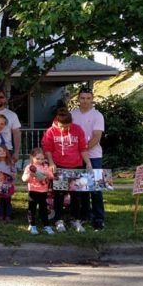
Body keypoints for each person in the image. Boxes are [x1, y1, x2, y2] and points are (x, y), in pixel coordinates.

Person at [42, 108, 92, 233]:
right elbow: (47, 149)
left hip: (76, 166)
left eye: (67, 126)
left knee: (76, 195)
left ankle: (76, 219)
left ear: (71, 123)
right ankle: (59, 220)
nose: (64, 129)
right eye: (62, 126)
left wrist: (88, 163)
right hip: (59, 167)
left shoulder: (78, 129)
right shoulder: (51, 132)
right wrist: (52, 163)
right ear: (57, 122)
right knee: (58, 195)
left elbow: (83, 148)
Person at [71, 87, 106, 231]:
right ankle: (85, 215)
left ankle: (99, 218)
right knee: (80, 188)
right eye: (82, 98)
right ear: (78, 99)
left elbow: (97, 136)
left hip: (94, 155)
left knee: (96, 189)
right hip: (76, 156)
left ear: (92, 99)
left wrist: (83, 151)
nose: (85, 101)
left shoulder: (98, 115)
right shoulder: (72, 115)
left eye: (88, 98)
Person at [22, 148, 55, 235]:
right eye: (38, 158)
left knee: (44, 209)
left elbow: (51, 176)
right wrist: (30, 175)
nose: (40, 160)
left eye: (42, 158)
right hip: (33, 191)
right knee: (31, 209)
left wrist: (47, 174)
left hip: (43, 192)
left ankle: (46, 225)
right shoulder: (29, 167)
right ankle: (32, 225)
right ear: (32, 157)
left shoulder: (45, 166)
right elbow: (24, 179)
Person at [0, 145, 16, 222]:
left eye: (4, 151)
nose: (2, 152)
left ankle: (8, 216)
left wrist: (13, 178)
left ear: (7, 152)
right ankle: (0, 215)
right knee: (0, 201)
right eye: (0, 151)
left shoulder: (10, 163)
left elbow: (14, 173)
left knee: (8, 201)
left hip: (8, 185)